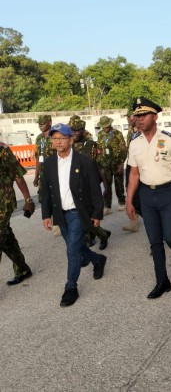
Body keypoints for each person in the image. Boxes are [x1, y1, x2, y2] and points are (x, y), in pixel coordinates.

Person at [126, 97, 171, 299]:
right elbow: (134, 174)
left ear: (155, 117)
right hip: (146, 195)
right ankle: (162, 281)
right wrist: (129, 201)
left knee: (170, 237)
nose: (139, 119)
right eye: (137, 115)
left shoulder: (170, 139)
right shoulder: (134, 143)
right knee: (154, 241)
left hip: (168, 193)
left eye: (143, 115)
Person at [41, 123, 107, 307]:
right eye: (55, 138)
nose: (58, 141)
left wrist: (97, 213)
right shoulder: (49, 162)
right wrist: (46, 214)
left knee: (71, 251)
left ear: (71, 140)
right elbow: (45, 190)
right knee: (75, 247)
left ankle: (71, 287)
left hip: (79, 212)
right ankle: (98, 259)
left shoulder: (84, 161)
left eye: (62, 138)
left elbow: (96, 189)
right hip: (60, 214)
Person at [68, 116, 111, 251]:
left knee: (90, 214)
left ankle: (102, 235)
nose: (74, 133)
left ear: (83, 130)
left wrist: (106, 185)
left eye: (77, 130)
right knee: (81, 214)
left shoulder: (92, 145)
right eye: (72, 130)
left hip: (90, 185)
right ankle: (93, 235)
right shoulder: (68, 146)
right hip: (74, 186)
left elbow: (101, 167)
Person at [0, 143, 35, 286]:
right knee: (6, 239)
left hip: (3, 203)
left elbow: (18, 176)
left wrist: (28, 200)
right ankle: (22, 269)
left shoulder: (2, 150)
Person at [33, 115, 60, 236]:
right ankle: (52, 219)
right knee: (45, 197)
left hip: (55, 171)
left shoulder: (55, 136)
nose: (40, 126)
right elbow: (38, 157)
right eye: (39, 124)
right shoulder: (39, 138)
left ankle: (58, 223)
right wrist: (36, 175)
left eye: (43, 123)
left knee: (56, 196)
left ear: (50, 122)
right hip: (44, 174)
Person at [96, 115, 127, 215]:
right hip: (105, 164)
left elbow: (123, 149)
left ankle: (121, 202)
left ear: (110, 124)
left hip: (116, 163)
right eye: (103, 126)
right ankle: (107, 206)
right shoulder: (100, 135)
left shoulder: (117, 134)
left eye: (107, 126)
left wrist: (121, 163)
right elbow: (99, 148)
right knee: (107, 185)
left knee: (119, 184)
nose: (105, 128)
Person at [122, 109, 141, 233]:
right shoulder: (131, 132)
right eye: (127, 117)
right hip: (131, 163)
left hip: (142, 165)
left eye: (130, 117)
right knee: (130, 190)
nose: (128, 119)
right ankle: (133, 222)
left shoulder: (143, 130)